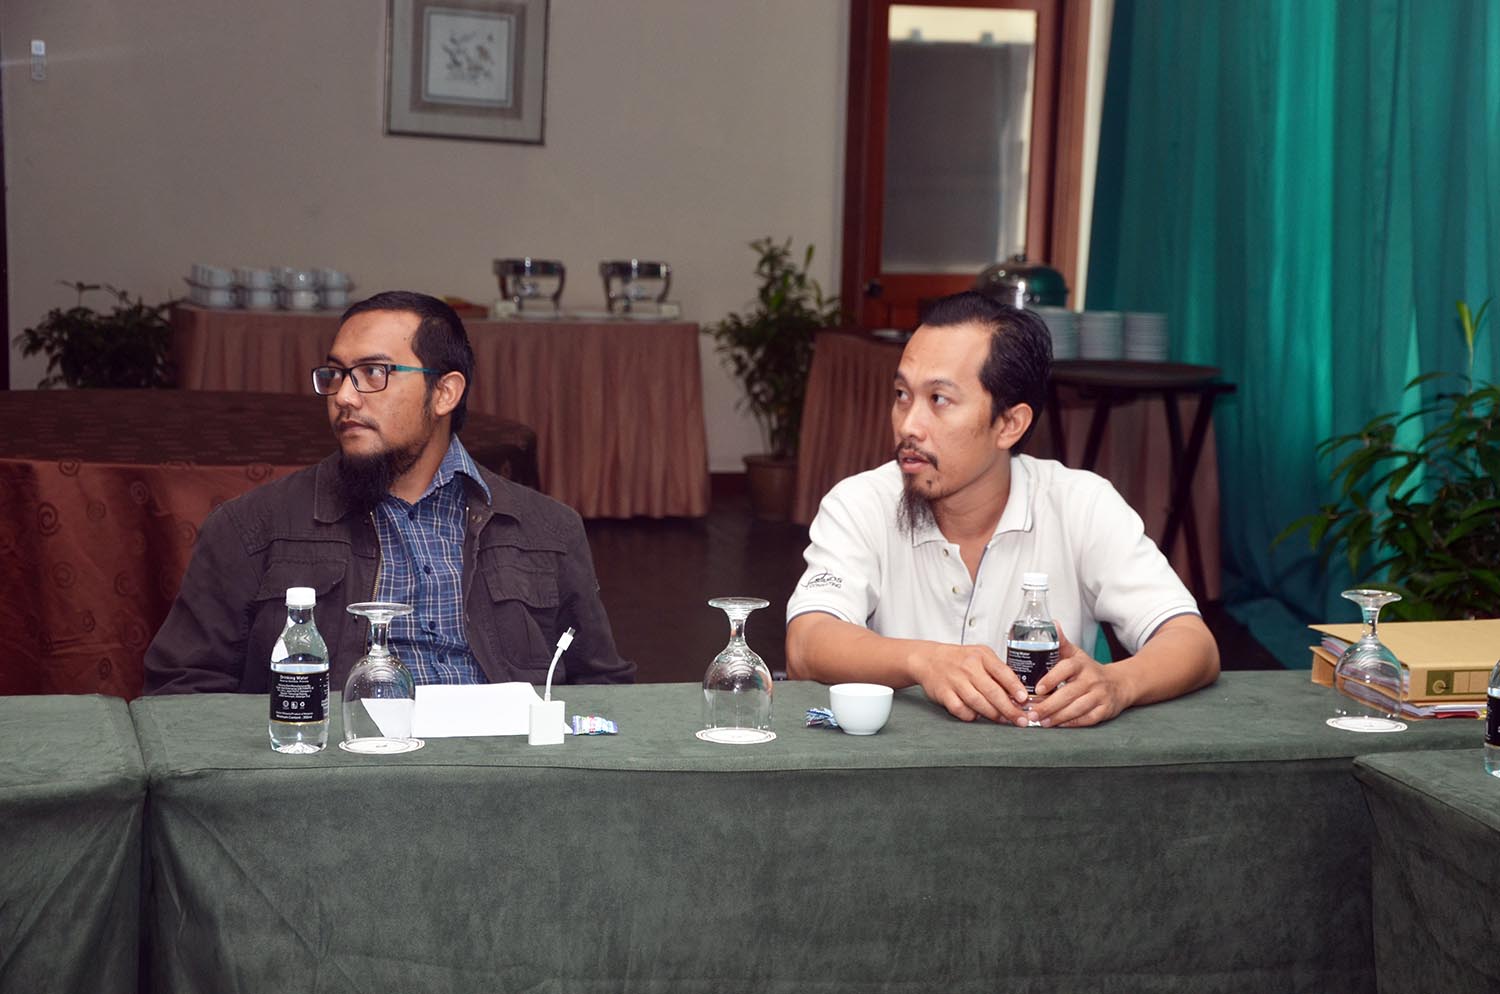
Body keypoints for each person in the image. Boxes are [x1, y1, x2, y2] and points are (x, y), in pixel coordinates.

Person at [145, 290, 633, 693]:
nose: (344, 396)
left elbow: (603, 688)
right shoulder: (252, 526)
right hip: (337, 768)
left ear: (445, 392)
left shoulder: (547, 528)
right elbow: (182, 686)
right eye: (336, 374)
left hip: (505, 766)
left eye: (373, 373)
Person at [785, 291, 1218, 727]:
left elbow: (1192, 642)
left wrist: (1119, 683)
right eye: (902, 394)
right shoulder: (860, 504)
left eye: (939, 399)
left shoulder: (1081, 504)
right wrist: (924, 660)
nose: (909, 425)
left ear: (1010, 424)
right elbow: (806, 643)